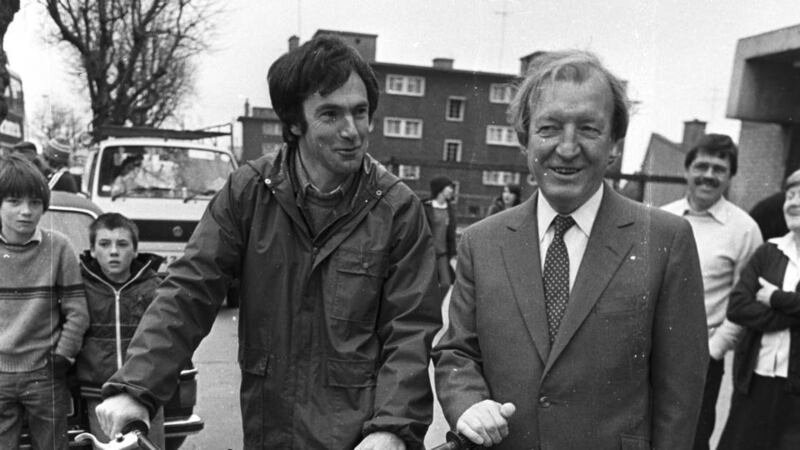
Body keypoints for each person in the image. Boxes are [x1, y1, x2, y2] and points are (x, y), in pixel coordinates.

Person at [95, 35, 441, 449]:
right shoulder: (250, 192)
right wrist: (135, 387)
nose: (352, 131)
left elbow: (410, 330)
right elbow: (189, 289)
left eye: (360, 112)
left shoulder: (397, 208)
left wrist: (392, 428)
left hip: (362, 438)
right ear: (295, 123)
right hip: (270, 429)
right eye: (330, 114)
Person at [432, 49, 708, 449]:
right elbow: (456, 352)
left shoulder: (666, 241)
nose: (566, 147)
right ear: (524, 140)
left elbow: (680, 392)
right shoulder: (482, 241)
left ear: (614, 143)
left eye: (589, 129)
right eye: (549, 128)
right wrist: (469, 405)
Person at [661, 133, 763, 450]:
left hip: (703, 358)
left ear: (730, 176)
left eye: (719, 168)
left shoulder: (745, 229)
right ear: (687, 170)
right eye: (701, 165)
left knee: (691, 440)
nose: (708, 175)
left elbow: (746, 301)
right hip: (651, 352)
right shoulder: (660, 218)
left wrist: (714, 350)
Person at [0, 154, 89, 449]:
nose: (26, 211)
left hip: (46, 374)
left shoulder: (59, 247)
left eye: (35, 203)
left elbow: (77, 312)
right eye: (14, 202)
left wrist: (62, 357)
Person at [718, 168, 800, 449]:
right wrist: (793, 314)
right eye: (790, 195)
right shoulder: (767, 252)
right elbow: (738, 307)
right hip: (755, 380)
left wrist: (776, 298)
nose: (793, 202)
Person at [76, 213, 166, 447]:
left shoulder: (153, 286)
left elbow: (164, 339)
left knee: (148, 446)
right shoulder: (81, 285)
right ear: (93, 251)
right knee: (110, 446)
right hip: (100, 393)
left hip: (145, 392)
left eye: (122, 244)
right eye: (104, 244)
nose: (114, 251)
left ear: (135, 250)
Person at [423, 175, 457, 300]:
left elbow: (451, 233)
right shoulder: (426, 207)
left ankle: (435, 307)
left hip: (443, 254)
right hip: (428, 254)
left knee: (446, 284)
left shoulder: (449, 209)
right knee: (425, 284)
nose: (451, 190)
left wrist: (452, 252)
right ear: (441, 188)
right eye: (449, 187)